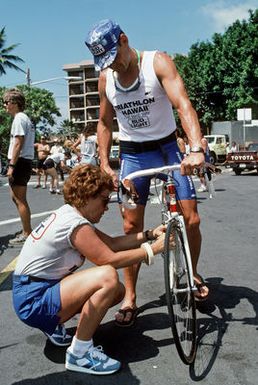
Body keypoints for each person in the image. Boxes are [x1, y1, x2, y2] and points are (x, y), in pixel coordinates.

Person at [85, 19, 209, 325]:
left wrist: (195, 147)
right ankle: (130, 294)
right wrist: (103, 162)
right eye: (105, 62)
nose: (111, 65)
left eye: (113, 56)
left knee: (192, 218)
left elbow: (183, 104)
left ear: (124, 40)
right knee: (130, 228)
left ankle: (191, 275)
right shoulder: (106, 79)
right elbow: (104, 123)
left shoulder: (158, 62)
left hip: (167, 147)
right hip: (133, 154)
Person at [12, 164, 166, 375]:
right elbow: (109, 258)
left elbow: (112, 243)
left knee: (118, 291)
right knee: (107, 276)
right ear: (86, 196)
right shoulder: (74, 224)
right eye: (104, 200)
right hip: (33, 300)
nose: (106, 207)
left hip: (34, 291)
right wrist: (154, 249)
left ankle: (53, 325)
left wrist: (148, 234)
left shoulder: (71, 215)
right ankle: (80, 353)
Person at [3, 88, 35, 245]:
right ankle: (26, 230)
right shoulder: (23, 118)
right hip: (23, 161)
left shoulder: (19, 119)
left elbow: (18, 143)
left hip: (20, 162)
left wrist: (11, 165)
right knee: (16, 198)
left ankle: (27, 232)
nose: (4, 106)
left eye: (6, 102)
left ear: (15, 103)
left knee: (20, 199)